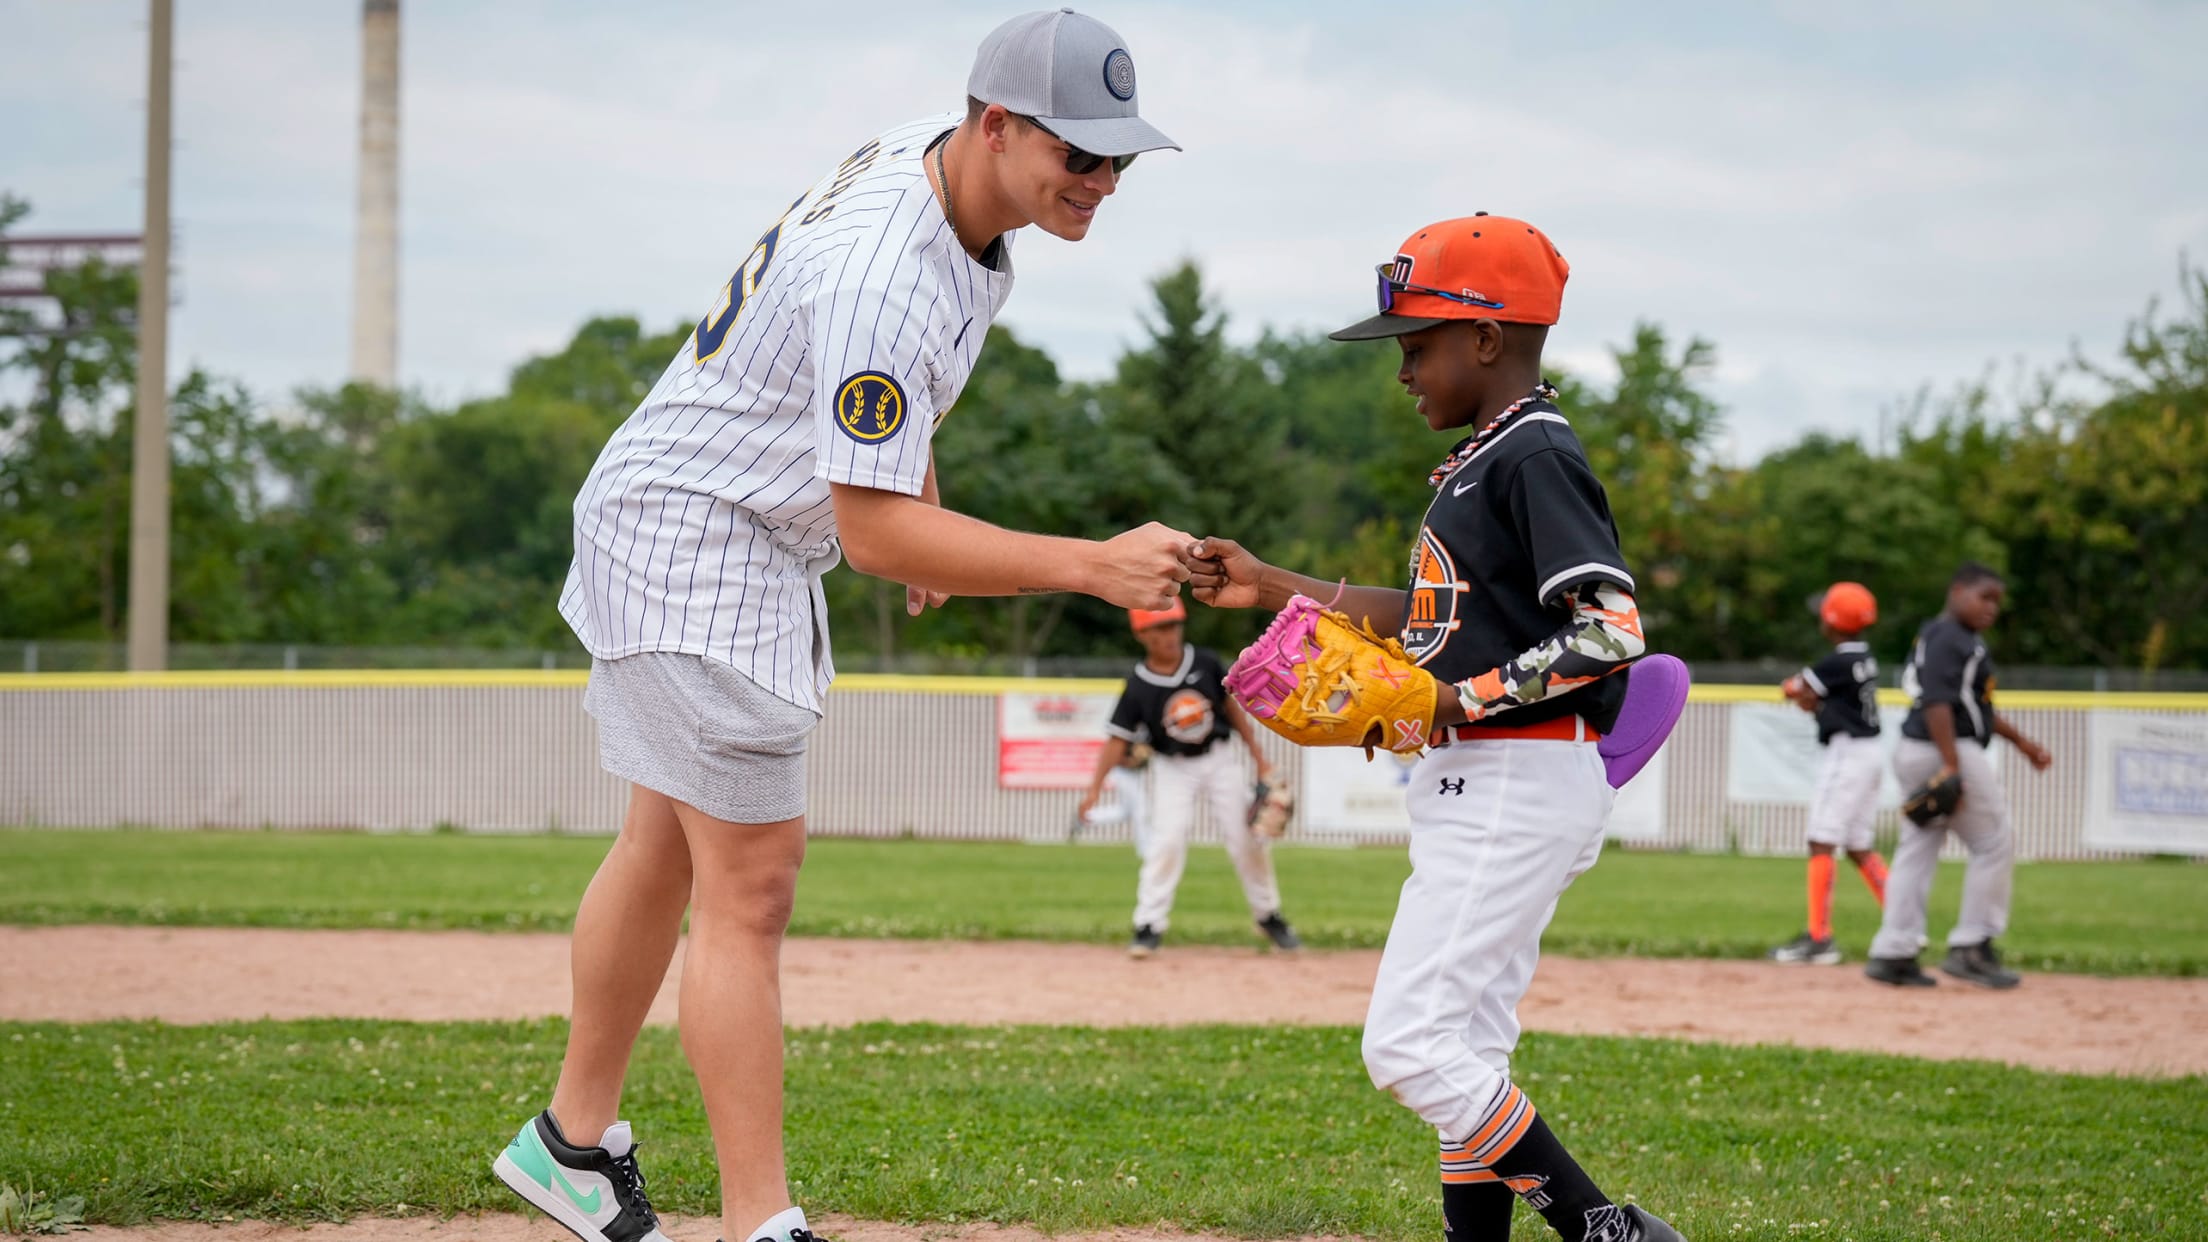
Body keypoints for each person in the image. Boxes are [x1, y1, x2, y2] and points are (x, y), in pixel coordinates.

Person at [493, 13, 1190, 1242]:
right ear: (995, 124)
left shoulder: (930, 177)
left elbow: (863, 401)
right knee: (751, 889)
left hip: (683, 512)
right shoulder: (890, 267)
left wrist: (911, 478)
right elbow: (869, 536)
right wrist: (1093, 564)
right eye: (1077, 152)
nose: (1100, 180)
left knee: (665, 846)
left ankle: (571, 1145)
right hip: (706, 543)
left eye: (1118, 159)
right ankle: (761, 1222)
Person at [1190, 216, 1683, 1242]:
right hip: (1493, 777)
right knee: (1463, 1044)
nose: (1404, 369)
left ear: (1488, 339)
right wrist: (1275, 585)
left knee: (1409, 1047)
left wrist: (1459, 700)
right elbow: (1431, 623)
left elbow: (1611, 630)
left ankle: (1605, 1231)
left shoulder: (1535, 452)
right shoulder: (1486, 459)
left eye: (1419, 344)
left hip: (1517, 771)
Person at [1076, 598, 1301, 958]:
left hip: (1219, 759)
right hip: (1173, 768)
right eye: (1160, 627)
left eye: (1174, 625)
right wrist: (1093, 789)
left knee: (1248, 840)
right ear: (1142, 634)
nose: (1170, 634)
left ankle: (1268, 915)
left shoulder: (1206, 663)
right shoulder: (1138, 684)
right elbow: (1117, 740)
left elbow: (1233, 710)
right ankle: (1148, 925)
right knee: (1167, 841)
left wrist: (1260, 760)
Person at [1864, 563, 2053, 989]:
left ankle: (1893, 951)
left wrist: (2021, 744)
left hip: (1917, 747)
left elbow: (1974, 706)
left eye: (1997, 602)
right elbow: (1938, 702)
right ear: (1957, 591)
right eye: (1984, 596)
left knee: (1918, 846)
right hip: (1945, 746)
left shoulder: (1941, 634)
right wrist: (1951, 765)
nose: (1991, 608)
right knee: (1994, 841)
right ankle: (1972, 946)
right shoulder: (1953, 638)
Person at [1768, 582, 1890, 965]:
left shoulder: (1836, 661)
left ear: (1832, 621)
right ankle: (1905, 926)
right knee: (1857, 845)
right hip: (1870, 752)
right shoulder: (1865, 657)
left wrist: (1794, 689)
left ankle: (1820, 938)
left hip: (1848, 753)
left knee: (1821, 840)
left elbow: (1796, 688)